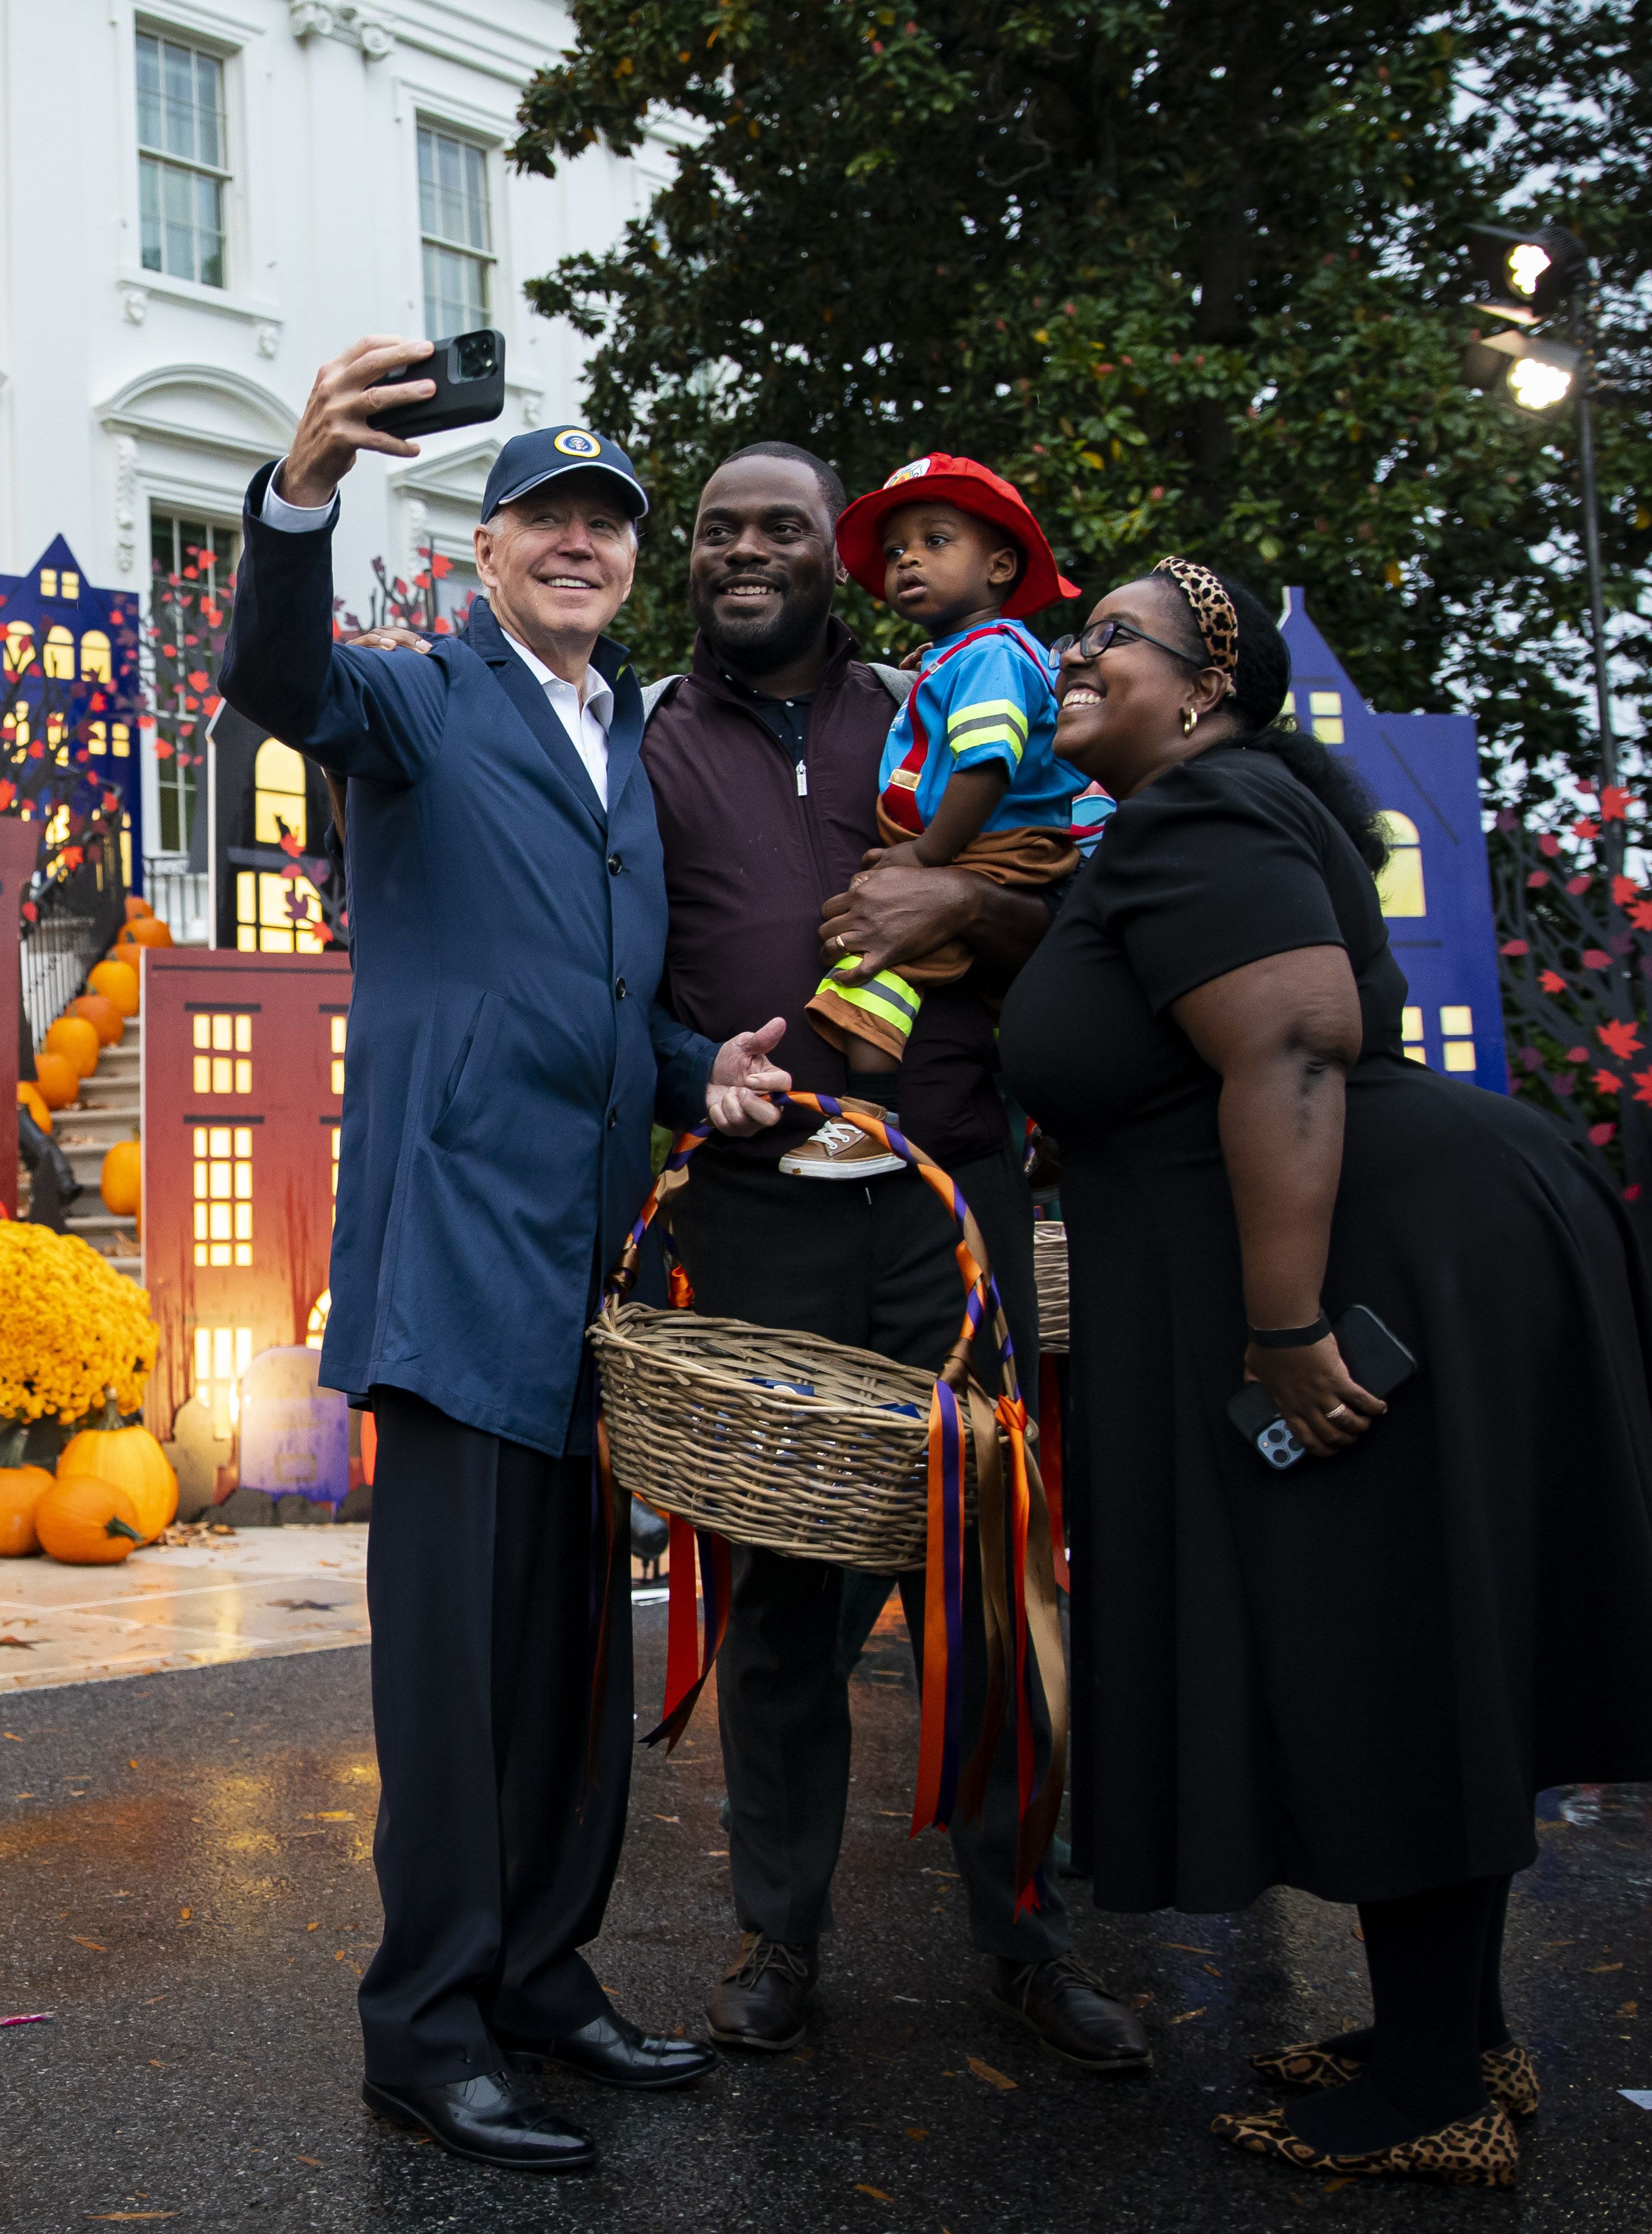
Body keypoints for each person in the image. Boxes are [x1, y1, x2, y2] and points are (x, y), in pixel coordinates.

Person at [1001, 557, 1652, 2185]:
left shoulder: (1194, 815)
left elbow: (1287, 1039)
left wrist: (1285, 1328)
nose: (1073, 657)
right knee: (1420, 1638)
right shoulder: (1202, 815)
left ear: (1200, 689)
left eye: (1108, 640)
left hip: (1355, 1262)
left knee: (1376, 1652)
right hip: (1408, 1233)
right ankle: (1453, 2028)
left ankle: (1432, 2088)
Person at [219, 336, 792, 2176]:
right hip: (455, 1253)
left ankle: (544, 1975)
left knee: (570, 1665)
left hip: (588, 1267)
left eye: (605, 520)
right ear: (480, 548)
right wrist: (300, 486)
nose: (577, 541)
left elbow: (606, 991)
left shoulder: (632, 739)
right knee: (453, 1676)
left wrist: (711, 1071)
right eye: (543, 513)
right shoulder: (414, 700)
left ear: (632, 560)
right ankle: (426, 2023)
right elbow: (273, 674)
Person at [637, 442, 1148, 2072]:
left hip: (948, 1195)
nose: (744, 550)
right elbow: (611, 982)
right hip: (753, 1200)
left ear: (829, 557)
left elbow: (1065, 913)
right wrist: (686, 1067)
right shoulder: (644, 747)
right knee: (778, 1585)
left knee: (991, 1577)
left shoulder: (938, 697)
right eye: (717, 529)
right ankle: (778, 1931)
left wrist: (948, 899)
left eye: (779, 526)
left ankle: (1021, 1931)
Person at [788, 456, 1102, 1177]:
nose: (907, 562)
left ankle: (867, 1122)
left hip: (995, 845)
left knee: (877, 958)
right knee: (1023, 1003)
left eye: (935, 541)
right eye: (896, 551)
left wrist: (928, 858)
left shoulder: (991, 654)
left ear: (998, 566)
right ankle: (1054, 1123)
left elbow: (985, 764)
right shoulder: (953, 655)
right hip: (972, 845)